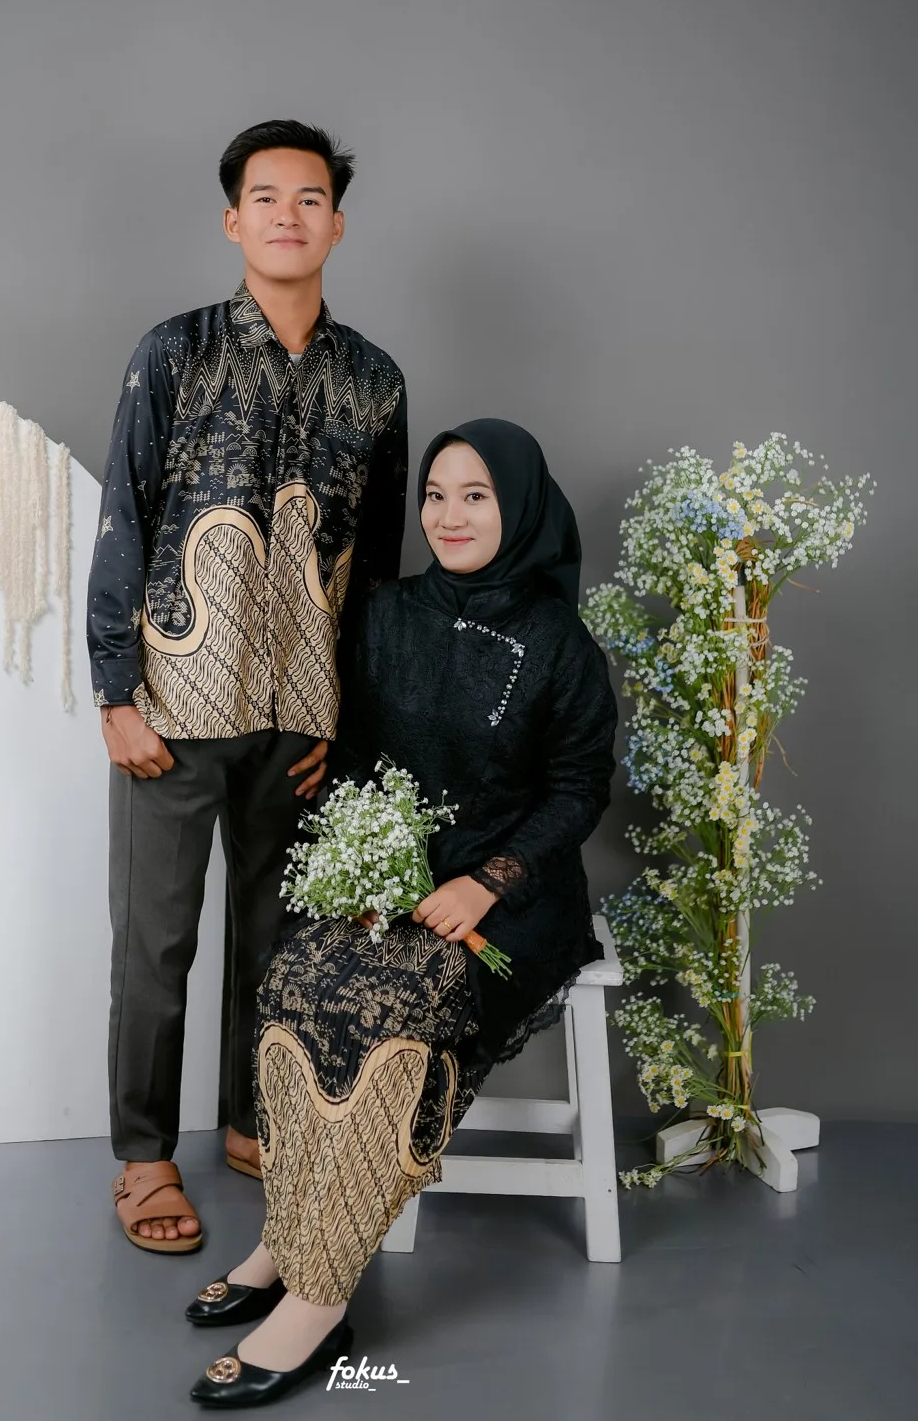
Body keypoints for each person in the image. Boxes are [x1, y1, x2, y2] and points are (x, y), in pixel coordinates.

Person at [184, 418, 618, 1407]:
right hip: (393, 880)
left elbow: (577, 790)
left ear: (519, 507)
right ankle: (288, 1235)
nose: (448, 515)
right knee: (297, 977)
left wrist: (487, 882)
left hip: (509, 899)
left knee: (385, 1007)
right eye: (435, 494)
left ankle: (319, 1296)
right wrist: (359, 857)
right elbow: (355, 755)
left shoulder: (560, 643)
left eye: (476, 495)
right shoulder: (385, 612)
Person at [88, 120, 408, 1253]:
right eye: (265, 197)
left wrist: (353, 723)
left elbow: (378, 570)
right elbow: (124, 517)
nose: (287, 215)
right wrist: (115, 693)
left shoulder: (374, 380)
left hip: (303, 717)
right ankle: (142, 1157)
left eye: (309, 198)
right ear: (234, 219)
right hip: (175, 707)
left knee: (278, 946)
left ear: (337, 224)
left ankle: (251, 1122)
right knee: (156, 946)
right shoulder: (174, 353)